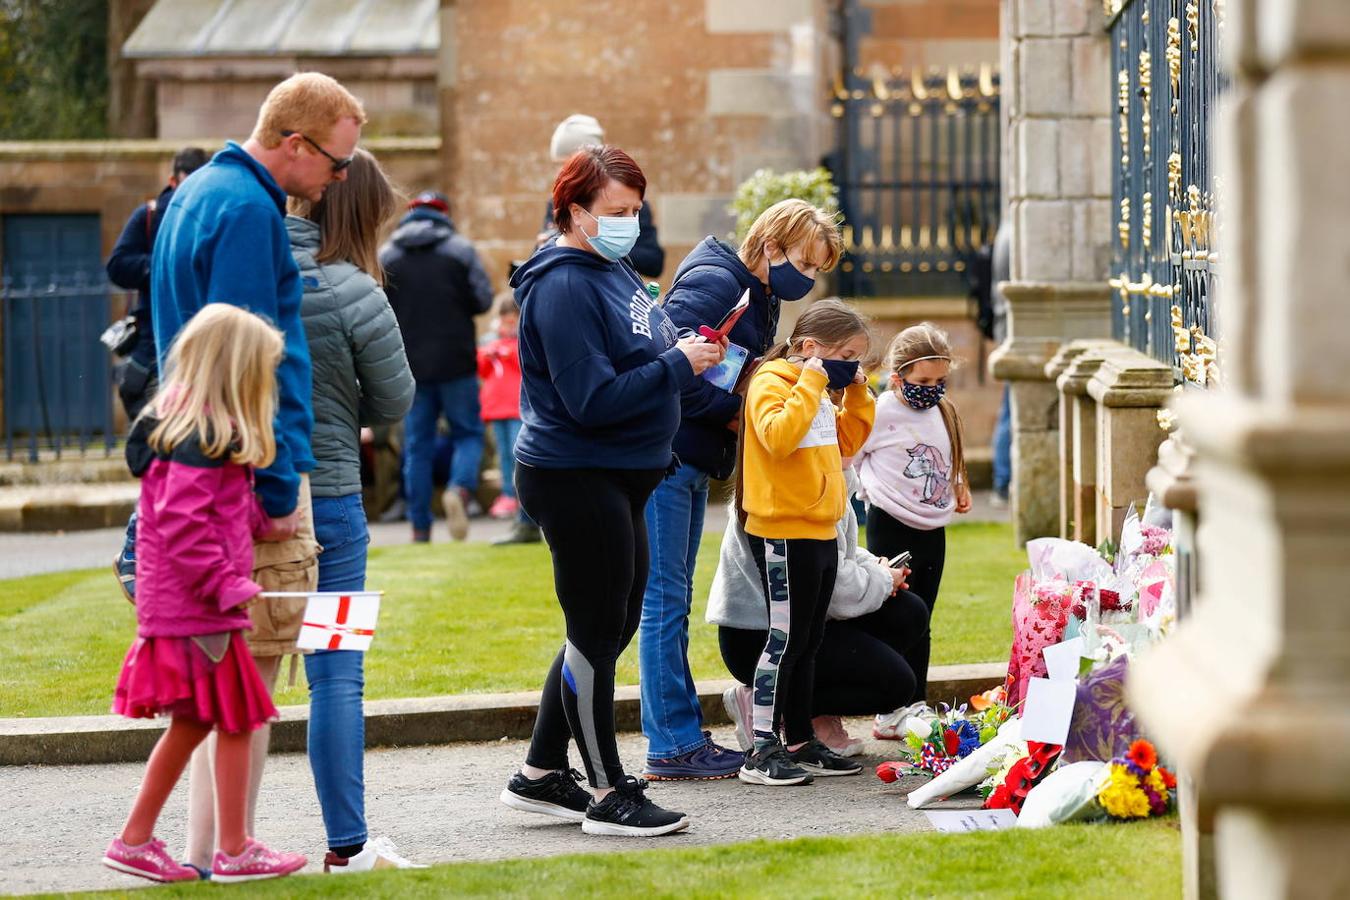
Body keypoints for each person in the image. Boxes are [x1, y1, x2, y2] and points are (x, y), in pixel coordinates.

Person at [148, 71, 366, 875]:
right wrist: (276, 489)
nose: (337, 181)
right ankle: (227, 851)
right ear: (294, 144)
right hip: (256, 467)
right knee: (256, 671)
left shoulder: (198, 192)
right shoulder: (247, 208)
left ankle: (209, 852)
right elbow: (256, 366)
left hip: (207, 458)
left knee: (229, 672)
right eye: (336, 165)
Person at [498, 145, 723, 836]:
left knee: (605, 625)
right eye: (616, 212)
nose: (630, 222)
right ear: (573, 212)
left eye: (636, 209)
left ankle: (539, 772)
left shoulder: (610, 265)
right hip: (577, 474)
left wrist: (685, 357)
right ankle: (607, 791)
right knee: (597, 633)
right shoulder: (562, 285)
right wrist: (676, 364)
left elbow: (640, 352)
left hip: (622, 474)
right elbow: (591, 398)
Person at [639, 199, 843, 781]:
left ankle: (677, 736)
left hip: (689, 456)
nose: (807, 277)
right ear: (771, 244)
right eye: (804, 261)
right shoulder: (716, 285)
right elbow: (669, 371)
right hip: (671, 455)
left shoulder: (753, 288)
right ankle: (672, 743)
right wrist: (739, 411)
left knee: (669, 599)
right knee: (664, 601)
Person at [101, 304, 306, 884]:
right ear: (236, 369)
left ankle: (143, 841)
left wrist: (265, 527)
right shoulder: (200, 439)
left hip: (196, 613)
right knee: (230, 720)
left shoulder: (194, 433)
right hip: (201, 614)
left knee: (206, 724)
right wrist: (229, 585)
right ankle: (229, 848)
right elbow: (186, 528)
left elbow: (213, 513)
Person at [287, 148, 421, 872]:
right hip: (332, 500)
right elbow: (396, 398)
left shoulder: (252, 274)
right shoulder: (354, 290)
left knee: (229, 669)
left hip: (242, 500)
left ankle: (216, 843)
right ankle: (348, 843)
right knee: (337, 669)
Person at [736, 299, 875, 786]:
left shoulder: (814, 390)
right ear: (812, 348)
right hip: (782, 529)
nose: (853, 365)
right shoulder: (771, 382)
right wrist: (813, 381)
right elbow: (777, 437)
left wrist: (856, 395)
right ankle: (761, 747)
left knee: (809, 641)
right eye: (849, 355)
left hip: (819, 526)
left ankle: (798, 738)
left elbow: (844, 444)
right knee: (783, 640)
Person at [708, 459, 930, 758]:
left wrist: (877, 568)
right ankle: (770, 703)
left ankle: (812, 712)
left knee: (908, 612)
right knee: (897, 684)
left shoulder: (825, 469)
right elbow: (829, 584)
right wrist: (881, 579)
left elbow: (838, 553)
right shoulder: (795, 483)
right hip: (757, 640)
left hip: (806, 622)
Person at [854, 322, 972, 740]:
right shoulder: (879, 410)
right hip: (890, 522)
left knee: (924, 616)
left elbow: (948, 452)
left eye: (941, 381)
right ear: (898, 374)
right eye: (923, 381)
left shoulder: (942, 410)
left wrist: (959, 483)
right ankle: (889, 707)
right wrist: (866, 493)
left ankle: (916, 700)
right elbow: (850, 456)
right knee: (893, 615)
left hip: (932, 527)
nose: (933, 389)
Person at [108, 146, 209, 602]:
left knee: (175, 461)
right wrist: (162, 265)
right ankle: (138, 550)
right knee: (166, 457)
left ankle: (152, 551)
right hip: (155, 352)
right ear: (174, 179)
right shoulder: (151, 215)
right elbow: (117, 266)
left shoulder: (208, 215)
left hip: (193, 349)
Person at [381, 191, 495, 543]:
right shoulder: (460, 251)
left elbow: (377, 308)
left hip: (410, 365)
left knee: (417, 445)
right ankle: (459, 490)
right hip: (457, 360)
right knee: (468, 434)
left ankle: (419, 527)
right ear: (444, 214)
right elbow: (483, 300)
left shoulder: (387, 255)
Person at [538, 114, 665, 279]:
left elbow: (654, 261)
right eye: (558, 165)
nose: (561, 173)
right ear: (575, 212)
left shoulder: (629, 203)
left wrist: (610, 244)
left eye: (568, 164)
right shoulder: (555, 203)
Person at [478, 294, 543, 545]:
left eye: (512, 320)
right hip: (496, 409)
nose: (508, 326)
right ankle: (509, 496)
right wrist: (489, 352)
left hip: (517, 409)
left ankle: (522, 507)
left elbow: (523, 365)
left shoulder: (523, 341)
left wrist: (507, 349)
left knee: (520, 460)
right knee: (504, 457)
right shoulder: (492, 343)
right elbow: (483, 371)